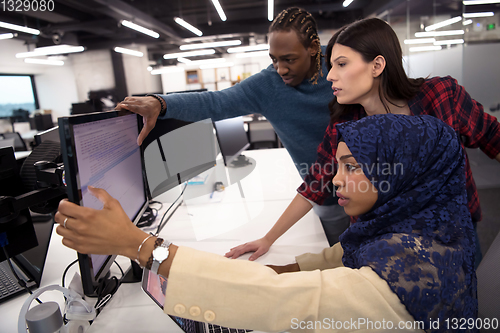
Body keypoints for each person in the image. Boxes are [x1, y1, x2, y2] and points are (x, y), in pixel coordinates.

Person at [55, 114, 476, 332]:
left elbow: (284, 301)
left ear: (400, 172)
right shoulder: (425, 227)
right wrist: (284, 267)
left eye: (351, 167)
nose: (333, 179)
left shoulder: (404, 283)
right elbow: (345, 254)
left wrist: (142, 247)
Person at [226, 17, 500, 264]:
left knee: (470, 311)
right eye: (330, 65)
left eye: (342, 64)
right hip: (388, 243)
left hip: (453, 232)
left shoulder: (440, 96)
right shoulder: (345, 126)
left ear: (377, 65)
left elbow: (493, 137)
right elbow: (315, 184)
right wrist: (268, 238)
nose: (330, 75)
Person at [117, 7, 350, 249]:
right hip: (324, 196)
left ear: (312, 48)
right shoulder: (268, 85)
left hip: (374, 185)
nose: (280, 69)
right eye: (274, 59)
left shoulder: (341, 67)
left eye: (289, 59)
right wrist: (162, 103)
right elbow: (215, 102)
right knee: (343, 259)